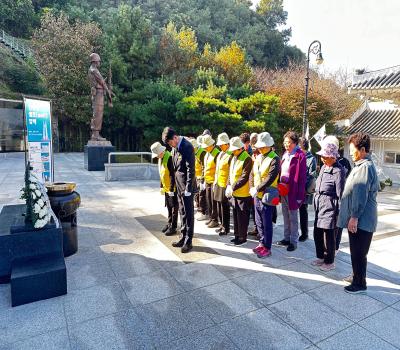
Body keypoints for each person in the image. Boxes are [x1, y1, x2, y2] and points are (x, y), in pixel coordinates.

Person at [337, 132, 379, 294]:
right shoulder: (361, 166)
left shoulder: (365, 168)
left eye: (352, 150)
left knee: (359, 252)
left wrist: (354, 217)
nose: (350, 153)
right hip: (359, 218)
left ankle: (360, 284)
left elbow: (360, 195)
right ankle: (356, 276)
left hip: (362, 219)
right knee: (356, 250)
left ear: (362, 150)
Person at [311, 142, 345, 271]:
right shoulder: (324, 167)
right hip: (320, 204)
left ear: (333, 157)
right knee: (317, 232)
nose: (322, 159)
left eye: (325, 157)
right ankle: (320, 256)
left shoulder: (338, 170)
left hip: (330, 205)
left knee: (328, 235)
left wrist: (341, 212)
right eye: (322, 156)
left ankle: (329, 261)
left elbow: (341, 193)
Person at [162, 127, 196, 253]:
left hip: (187, 187)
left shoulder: (187, 146)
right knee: (182, 212)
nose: (171, 145)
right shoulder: (175, 147)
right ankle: (182, 237)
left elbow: (190, 169)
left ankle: (188, 241)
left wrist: (188, 188)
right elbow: (176, 168)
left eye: (171, 142)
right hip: (179, 185)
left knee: (188, 214)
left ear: (175, 137)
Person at [250, 132, 280, 258]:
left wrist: (257, 188)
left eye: (263, 146)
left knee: (267, 222)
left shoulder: (274, 158)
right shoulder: (258, 157)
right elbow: (253, 173)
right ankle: (261, 243)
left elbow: (270, 176)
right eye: (259, 147)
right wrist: (252, 186)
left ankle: (267, 247)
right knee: (259, 221)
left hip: (268, 194)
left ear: (269, 145)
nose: (260, 149)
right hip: (257, 194)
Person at [275, 131, 307, 251]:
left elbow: (302, 178)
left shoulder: (300, 156)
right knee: (285, 214)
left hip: (293, 190)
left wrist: (300, 195)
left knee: (293, 216)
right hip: (283, 189)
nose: (286, 145)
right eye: (285, 143)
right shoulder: (285, 154)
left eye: (288, 143)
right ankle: (286, 237)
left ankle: (293, 241)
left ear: (294, 143)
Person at [322, 135, 352, 252]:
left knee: (337, 227)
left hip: (339, 199)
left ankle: (335, 247)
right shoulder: (325, 165)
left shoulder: (344, 163)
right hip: (327, 203)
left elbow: (348, 177)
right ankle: (328, 249)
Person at [225, 137, 253, 246]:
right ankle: (237, 235)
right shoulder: (234, 157)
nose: (232, 151)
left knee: (242, 216)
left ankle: (242, 237)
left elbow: (244, 177)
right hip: (234, 192)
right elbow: (230, 173)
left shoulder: (247, 158)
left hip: (243, 193)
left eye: (234, 149)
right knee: (236, 215)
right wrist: (228, 185)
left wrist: (232, 187)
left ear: (240, 148)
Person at [151, 142, 179, 236]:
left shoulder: (169, 157)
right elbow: (161, 173)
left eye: (157, 154)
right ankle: (169, 223)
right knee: (169, 207)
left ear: (161, 152)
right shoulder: (161, 158)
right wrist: (161, 186)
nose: (156, 157)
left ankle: (173, 227)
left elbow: (172, 174)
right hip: (166, 187)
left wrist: (171, 189)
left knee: (174, 208)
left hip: (172, 188)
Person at [213, 133, 233, 236]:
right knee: (219, 205)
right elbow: (217, 169)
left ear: (227, 143)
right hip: (218, 183)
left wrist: (229, 185)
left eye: (222, 144)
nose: (220, 146)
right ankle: (221, 225)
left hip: (225, 184)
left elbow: (230, 171)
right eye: (219, 145)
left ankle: (226, 228)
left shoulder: (231, 154)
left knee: (225, 207)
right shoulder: (221, 154)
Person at [298, 137, 317, 242]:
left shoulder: (311, 158)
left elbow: (311, 175)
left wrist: (302, 187)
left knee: (303, 210)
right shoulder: (298, 156)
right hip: (297, 188)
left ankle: (304, 233)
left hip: (305, 189)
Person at [201, 134, 220, 228]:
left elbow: (218, 169)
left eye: (206, 146)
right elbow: (204, 167)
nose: (205, 148)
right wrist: (203, 179)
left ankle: (215, 219)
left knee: (214, 201)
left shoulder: (217, 153)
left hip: (214, 181)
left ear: (211, 145)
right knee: (209, 200)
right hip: (207, 180)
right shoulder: (207, 154)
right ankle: (211, 217)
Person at [192, 137, 208, 221]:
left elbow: (204, 167)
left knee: (201, 195)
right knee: (198, 195)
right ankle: (199, 210)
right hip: (197, 177)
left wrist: (202, 179)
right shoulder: (195, 152)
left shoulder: (201, 153)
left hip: (201, 178)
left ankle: (203, 212)